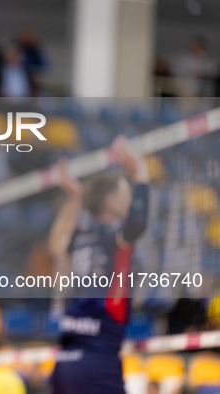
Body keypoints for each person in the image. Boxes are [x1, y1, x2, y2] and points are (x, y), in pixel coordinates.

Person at [48, 135, 149, 394]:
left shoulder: (82, 238)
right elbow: (137, 224)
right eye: (127, 192)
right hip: (98, 363)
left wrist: (74, 197)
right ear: (112, 203)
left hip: (65, 363)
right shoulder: (112, 237)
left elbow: (56, 246)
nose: (130, 198)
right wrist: (140, 173)